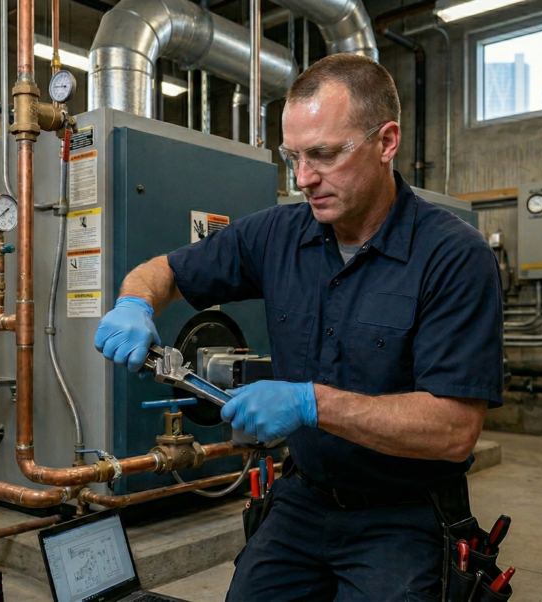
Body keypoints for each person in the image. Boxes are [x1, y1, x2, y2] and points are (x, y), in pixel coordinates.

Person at [93, 54, 503, 601]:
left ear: (386, 143)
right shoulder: (277, 234)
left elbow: (454, 433)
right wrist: (134, 304)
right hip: (303, 498)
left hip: (402, 513)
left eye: (324, 155)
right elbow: (160, 272)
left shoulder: (452, 256)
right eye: (294, 158)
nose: (305, 179)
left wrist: (312, 404)